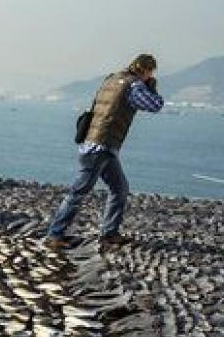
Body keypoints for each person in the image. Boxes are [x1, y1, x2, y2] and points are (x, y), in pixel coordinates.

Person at [45, 53, 164, 251]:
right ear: (146, 70)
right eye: (150, 72)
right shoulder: (133, 86)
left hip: (95, 143)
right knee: (78, 192)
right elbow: (155, 105)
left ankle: (109, 234)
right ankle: (55, 235)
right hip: (101, 146)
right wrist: (152, 87)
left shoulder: (111, 79)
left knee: (120, 188)